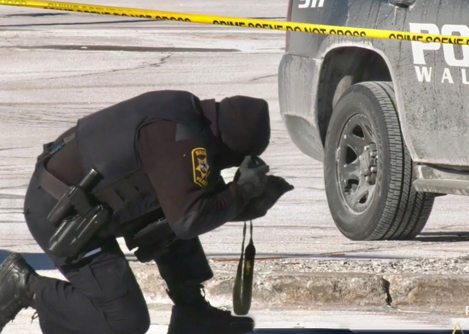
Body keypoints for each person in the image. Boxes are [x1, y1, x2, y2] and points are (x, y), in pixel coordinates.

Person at [0, 90, 294, 334]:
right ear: (232, 143)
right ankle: (26, 286)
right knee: (125, 322)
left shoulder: (192, 121)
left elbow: (199, 203)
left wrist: (251, 201)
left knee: (172, 213)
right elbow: (190, 219)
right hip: (59, 214)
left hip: (88, 207)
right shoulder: (180, 135)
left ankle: (192, 314)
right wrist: (241, 192)